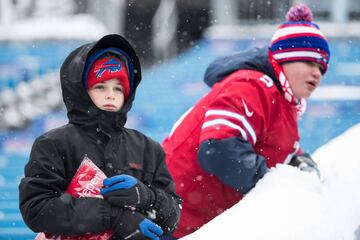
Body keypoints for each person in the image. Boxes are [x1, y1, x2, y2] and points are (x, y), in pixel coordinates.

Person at [162, 4, 329, 238]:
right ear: (283, 59)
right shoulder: (253, 85)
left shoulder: (282, 103)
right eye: (309, 62)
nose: (317, 73)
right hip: (174, 220)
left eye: (322, 67)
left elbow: (273, 148)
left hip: (195, 222)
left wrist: (298, 162)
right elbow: (217, 149)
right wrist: (272, 183)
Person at [19, 34, 181, 240]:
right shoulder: (54, 143)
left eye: (118, 88)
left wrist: (146, 197)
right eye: (100, 86)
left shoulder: (148, 148)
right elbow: (36, 209)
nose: (111, 94)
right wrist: (114, 216)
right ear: (81, 91)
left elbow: (173, 216)